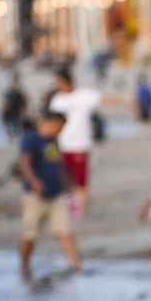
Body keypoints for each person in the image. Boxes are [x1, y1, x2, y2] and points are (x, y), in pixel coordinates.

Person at [17, 110, 81, 277]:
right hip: (34, 196)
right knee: (30, 234)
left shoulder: (54, 140)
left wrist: (68, 184)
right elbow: (25, 163)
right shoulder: (31, 139)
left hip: (56, 193)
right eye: (61, 127)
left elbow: (57, 164)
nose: (62, 130)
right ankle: (24, 267)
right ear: (52, 123)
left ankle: (76, 266)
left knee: (65, 231)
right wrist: (34, 181)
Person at [48, 68, 101, 220]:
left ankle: (80, 210)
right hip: (62, 146)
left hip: (80, 145)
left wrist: (127, 102)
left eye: (57, 81)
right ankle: (70, 207)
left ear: (66, 81)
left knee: (80, 180)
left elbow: (103, 99)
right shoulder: (57, 100)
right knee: (65, 179)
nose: (55, 85)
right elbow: (52, 122)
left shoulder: (83, 95)